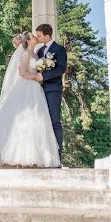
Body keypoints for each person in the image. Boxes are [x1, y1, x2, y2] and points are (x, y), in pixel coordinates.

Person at [0, 31, 60, 169]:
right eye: (33, 36)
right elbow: (22, 72)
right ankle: (9, 157)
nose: (36, 37)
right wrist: (36, 77)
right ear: (28, 40)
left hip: (35, 90)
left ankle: (32, 158)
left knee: (34, 120)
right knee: (22, 119)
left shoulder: (36, 55)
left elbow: (36, 68)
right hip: (25, 87)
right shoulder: (26, 54)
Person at [36, 23, 67, 162]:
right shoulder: (39, 51)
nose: (37, 37)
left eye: (39, 35)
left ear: (47, 36)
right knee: (41, 122)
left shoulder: (59, 49)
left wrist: (45, 77)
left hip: (53, 89)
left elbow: (61, 69)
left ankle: (57, 158)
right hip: (39, 90)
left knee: (55, 121)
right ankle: (44, 156)